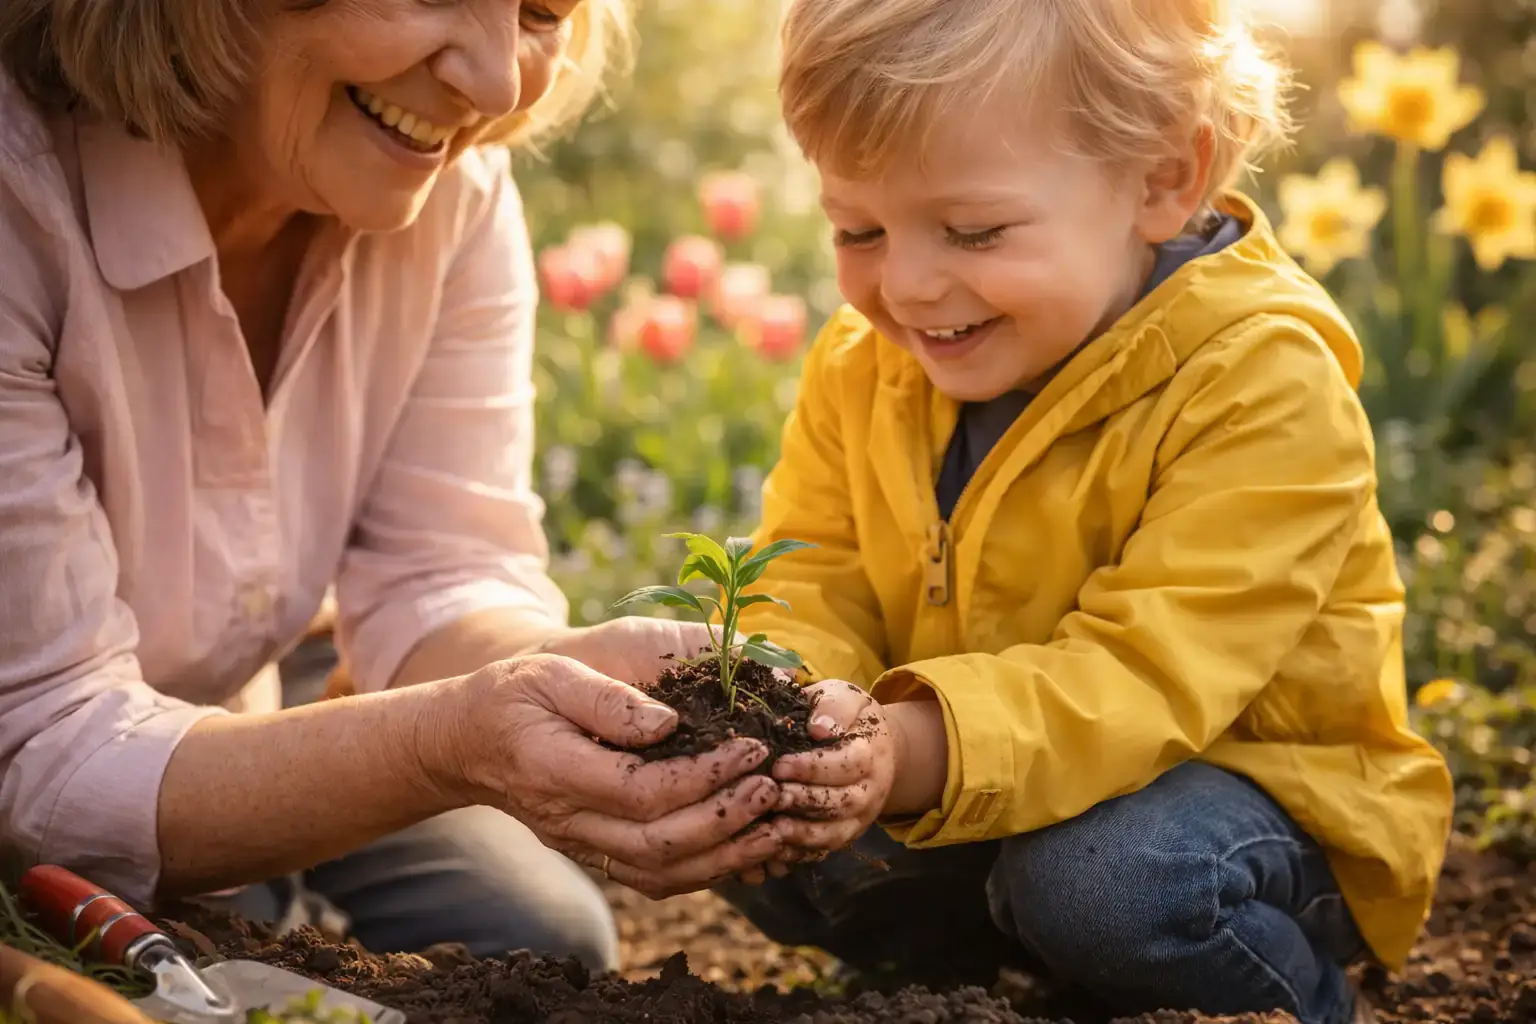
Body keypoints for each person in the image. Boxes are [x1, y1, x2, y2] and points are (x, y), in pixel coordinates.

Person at [0, 0, 790, 972]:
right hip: (53, 762)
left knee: (538, 936)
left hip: (246, 693)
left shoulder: (451, 199)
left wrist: (576, 685)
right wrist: (451, 741)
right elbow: (43, 757)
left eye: (541, 11)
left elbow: (440, 575)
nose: (498, 83)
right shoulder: (20, 204)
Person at [716, 1, 1457, 1022]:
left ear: (1162, 178)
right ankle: (980, 985)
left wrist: (911, 748)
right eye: (859, 229)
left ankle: (1296, 1002)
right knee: (755, 808)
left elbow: (1148, 670)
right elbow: (813, 568)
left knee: (1105, 882)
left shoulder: (1261, 382)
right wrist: (793, 709)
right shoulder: (867, 366)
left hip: (1248, 805)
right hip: (992, 778)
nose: (909, 284)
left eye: (973, 229)